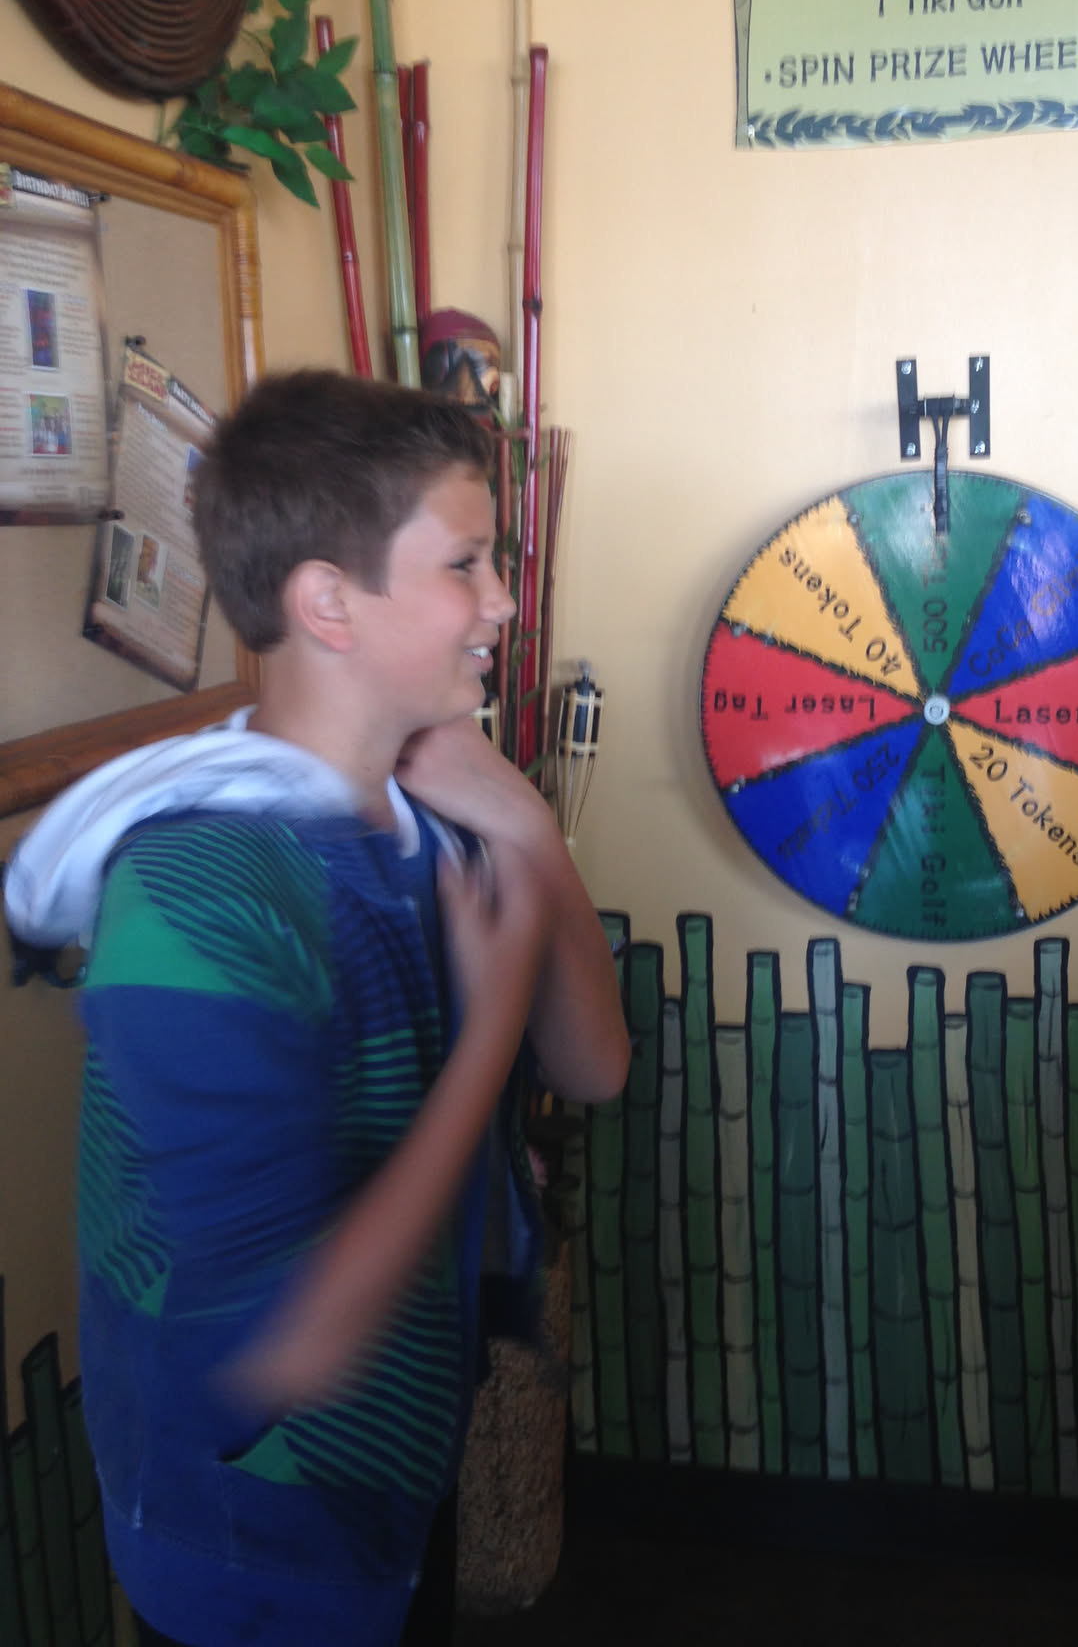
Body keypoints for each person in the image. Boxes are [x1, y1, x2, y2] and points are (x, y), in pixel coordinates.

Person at [3, 370, 631, 1647]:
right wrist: (487, 1028)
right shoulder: (198, 890)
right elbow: (288, 1345)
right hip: (247, 1542)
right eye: (465, 564)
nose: (503, 601)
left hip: (396, 1474)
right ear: (329, 601)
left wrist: (520, 818)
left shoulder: (434, 816)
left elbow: (597, 1066)